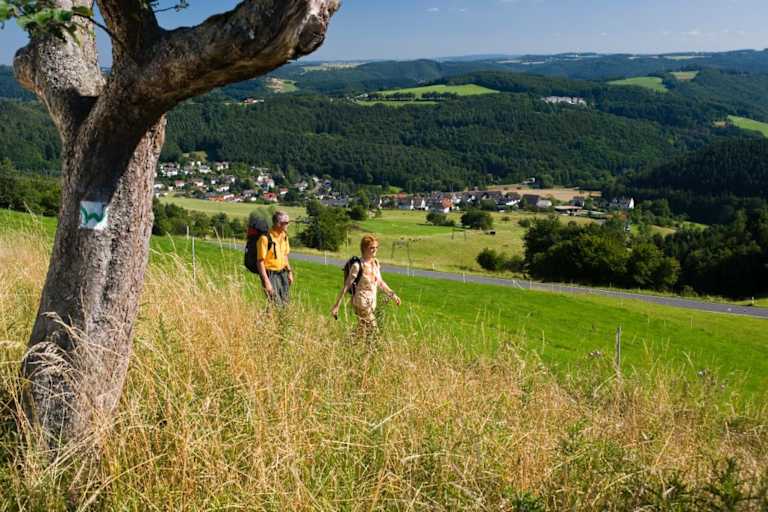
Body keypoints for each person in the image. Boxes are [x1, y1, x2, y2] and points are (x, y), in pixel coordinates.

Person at [331, 234, 401, 339]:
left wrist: (393, 295)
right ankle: (373, 350)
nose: (375, 250)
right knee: (374, 330)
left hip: (371, 302)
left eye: (376, 247)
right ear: (364, 248)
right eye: (372, 248)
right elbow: (346, 286)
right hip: (361, 302)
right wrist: (336, 305)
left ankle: (346, 346)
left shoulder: (375, 263)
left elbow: (380, 283)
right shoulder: (357, 266)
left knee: (361, 331)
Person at [256, 211, 293, 306]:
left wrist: (289, 272)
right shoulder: (265, 238)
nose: (288, 225)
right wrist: (266, 282)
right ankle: (263, 320)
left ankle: (274, 320)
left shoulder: (284, 236)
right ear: (278, 223)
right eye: (286, 223)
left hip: (282, 273)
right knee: (275, 303)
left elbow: (285, 255)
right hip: (271, 274)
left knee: (285, 302)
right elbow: (260, 262)